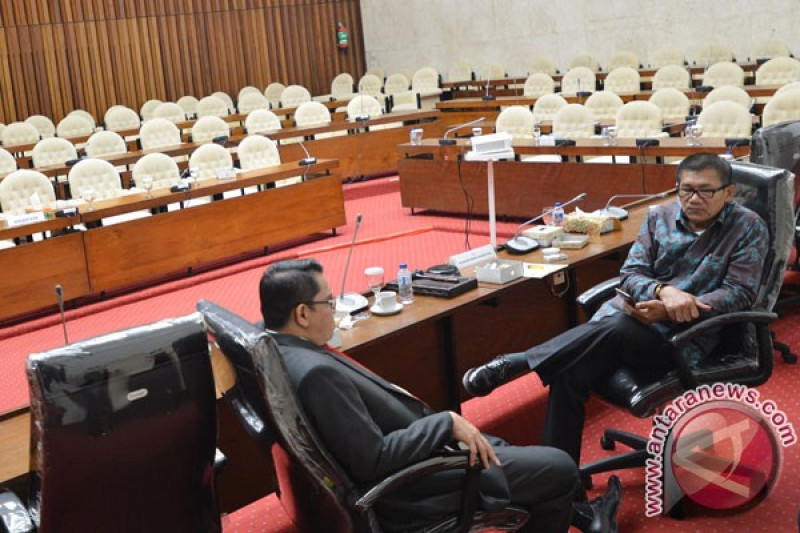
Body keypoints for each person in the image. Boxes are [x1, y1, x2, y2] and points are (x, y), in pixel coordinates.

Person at [259, 259, 621, 533]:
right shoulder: (316, 373)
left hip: (421, 456)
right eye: (329, 302)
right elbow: (373, 460)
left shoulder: (280, 349)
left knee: (519, 454)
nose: (336, 310)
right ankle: (575, 507)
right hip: (417, 486)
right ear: (302, 313)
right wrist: (445, 423)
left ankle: (580, 512)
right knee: (559, 467)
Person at [463, 153, 769, 465]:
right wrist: (663, 291)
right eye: (686, 190)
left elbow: (740, 293)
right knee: (570, 373)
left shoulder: (747, 227)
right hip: (629, 322)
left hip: (684, 337)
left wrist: (673, 309)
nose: (694, 199)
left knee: (617, 327)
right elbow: (631, 273)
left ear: (729, 192)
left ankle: (522, 362)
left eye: (706, 191)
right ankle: (562, 483)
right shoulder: (659, 216)